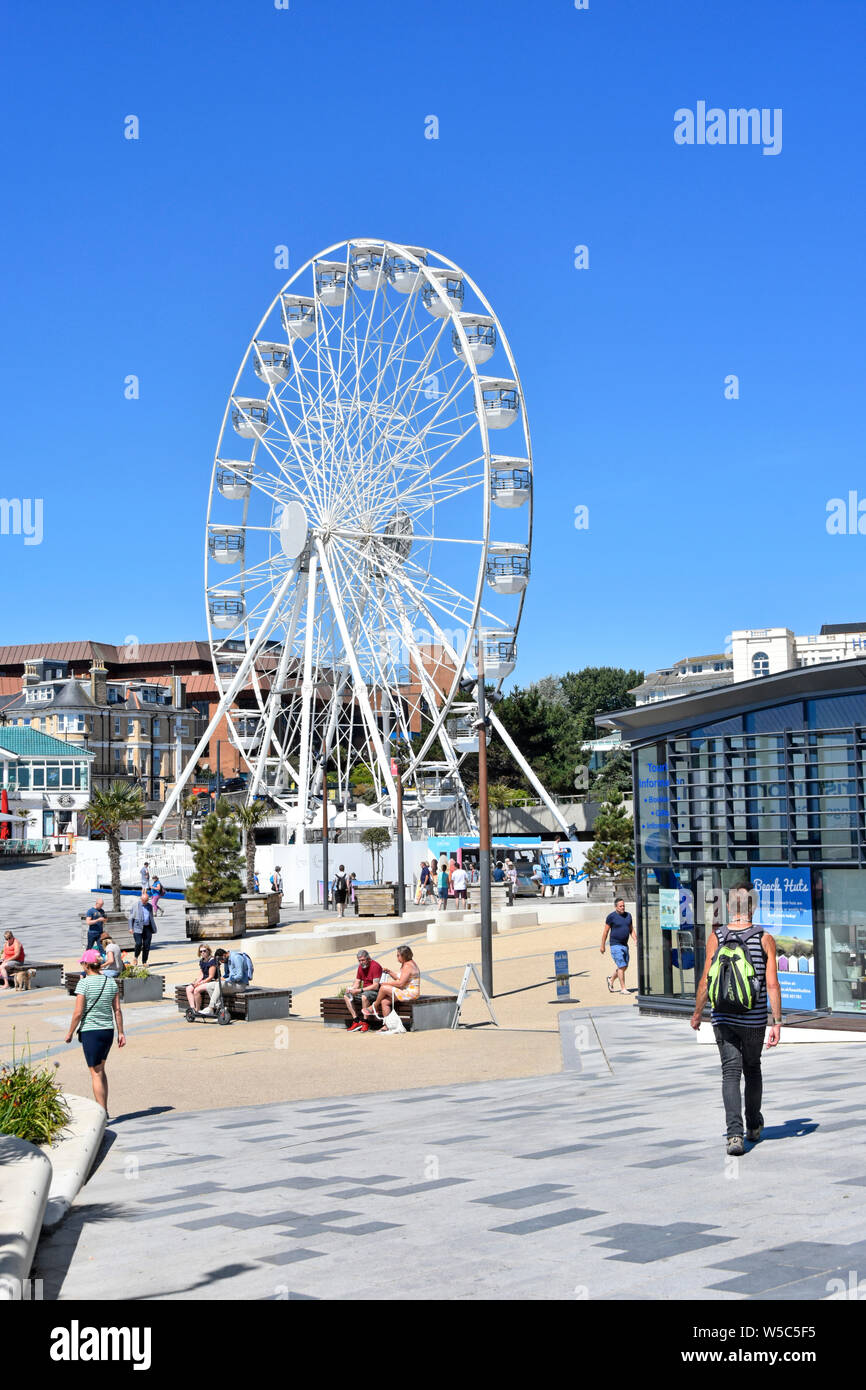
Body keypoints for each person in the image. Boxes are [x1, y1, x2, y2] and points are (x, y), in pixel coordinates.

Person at [691, 881, 782, 1156]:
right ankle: (754, 1124)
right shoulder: (764, 938)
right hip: (753, 1019)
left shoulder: (717, 937)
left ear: (730, 907)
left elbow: (707, 981)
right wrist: (776, 1022)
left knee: (730, 1072)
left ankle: (734, 1135)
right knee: (752, 1068)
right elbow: (773, 984)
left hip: (723, 1017)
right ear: (753, 907)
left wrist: (697, 1014)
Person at [65, 949, 125, 1115]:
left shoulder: (83, 983)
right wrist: (121, 1033)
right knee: (101, 1069)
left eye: (82, 963)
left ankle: (101, 1112)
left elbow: (78, 1013)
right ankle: (104, 1107)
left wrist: (70, 1033)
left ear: (86, 964)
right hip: (108, 1031)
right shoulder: (111, 982)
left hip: (91, 1031)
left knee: (95, 1072)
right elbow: (117, 1011)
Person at [362, 946, 421, 1027]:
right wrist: (389, 972)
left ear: (404, 955)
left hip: (410, 993)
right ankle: (387, 1026)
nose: (397, 957)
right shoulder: (406, 963)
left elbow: (401, 983)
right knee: (384, 1002)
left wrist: (386, 984)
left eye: (398, 955)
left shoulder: (408, 966)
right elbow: (400, 978)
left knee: (383, 988)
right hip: (404, 991)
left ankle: (374, 1007)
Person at [601, 897, 637, 995]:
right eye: (620, 906)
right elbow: (605, 932)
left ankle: (611, 979)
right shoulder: (611, 917)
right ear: (616, 907)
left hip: (625, 945)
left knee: (624, 966)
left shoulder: (628, 916)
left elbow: (631, 930)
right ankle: (623, 988)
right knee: (621, 966)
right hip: (615, 944)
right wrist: (602, 945)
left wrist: (635, 939)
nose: (622, 907)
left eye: (623, 906)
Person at [345, 949, 384, 1032]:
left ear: (368, 958)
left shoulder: (375, 966)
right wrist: (351, 989)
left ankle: (365, 1022)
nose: (361, 962)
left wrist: (359, 990)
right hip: (364, 991)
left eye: (363, 960)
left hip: (375, 992)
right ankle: (356, 1021)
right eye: (359, 961)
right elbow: (357, 982)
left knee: (364, 996)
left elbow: (375, 986)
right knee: (346, 996)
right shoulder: (360, 967)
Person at [186, 946, 220, 1013]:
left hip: (211, 981)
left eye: (204, 951)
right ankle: (192, 1009)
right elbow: (201, 974)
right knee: (189, 988)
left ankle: (197, 1010)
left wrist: (201, 983)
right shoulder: (202, 960)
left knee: (196, 990)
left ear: (208, 951)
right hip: (204, 980)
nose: (203, 953)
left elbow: (211, 976)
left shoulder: (212, 960)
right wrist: (196, 982)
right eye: (201, 951)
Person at [128, 891, 156, 965]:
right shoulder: (135, 905)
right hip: (137, 927)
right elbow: (130, 917)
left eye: (146, 901)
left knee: (147, 945)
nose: (144, 902)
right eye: (143, 901)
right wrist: (130, 928)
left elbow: (150, 917)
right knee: (138, 943)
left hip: (147, 928)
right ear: (141, 899)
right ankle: (135, 957)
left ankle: (144, 961)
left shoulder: (149, 906)